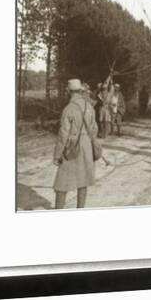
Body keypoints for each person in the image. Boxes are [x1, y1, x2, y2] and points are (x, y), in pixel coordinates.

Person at [53, 78, 98, 209]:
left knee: (61, 184)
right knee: (83, 181)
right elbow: (95, 129)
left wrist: (57, 155)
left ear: (69, 91)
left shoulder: (69, 109)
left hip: (72, 147)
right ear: (80, 91)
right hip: (87, 147)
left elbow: (63, 135)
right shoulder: (89, 106)